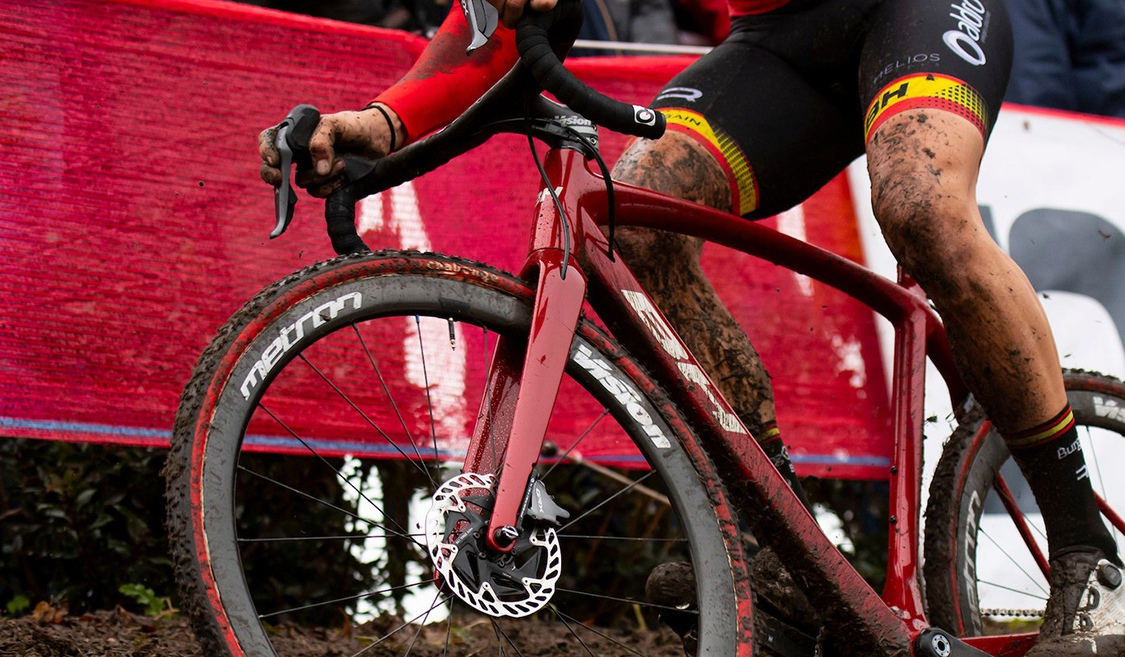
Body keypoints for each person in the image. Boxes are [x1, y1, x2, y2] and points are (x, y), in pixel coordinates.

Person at [257, 0, 1125, 652]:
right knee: (630, 223)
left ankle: (1090, 559)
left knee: (921, 207)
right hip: (778, 41)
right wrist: (382, 121)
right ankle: (787, 555)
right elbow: (491, 20)